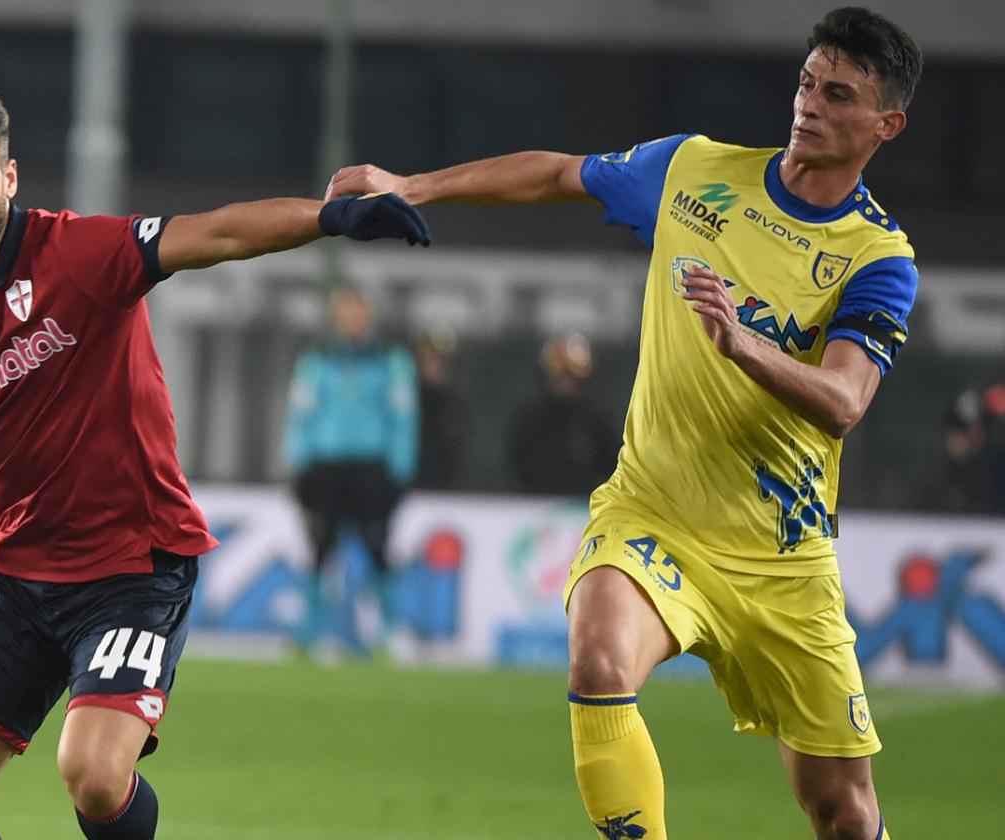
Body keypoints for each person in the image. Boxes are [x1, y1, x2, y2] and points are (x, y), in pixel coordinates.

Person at [327, 8, 919, 839]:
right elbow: (557, 174)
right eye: (805, 82)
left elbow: (845, 401)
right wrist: (414, 185)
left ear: (886, 125)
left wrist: (742, 344)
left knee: (841, 811)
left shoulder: (877, 258)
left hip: (780, 560)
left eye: (839, 94)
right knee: (599, 661)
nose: (809, 104)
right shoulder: (695, 171)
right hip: (653, 512)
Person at [0, 80, 429, 840]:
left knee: (95, 773)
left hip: (133, 567)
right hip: (17, 575)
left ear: (8, 177)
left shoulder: (78, 252)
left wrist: (330, 217)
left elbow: (217, 234)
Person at [284, 285, 418, 656]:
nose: (350, 320)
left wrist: (400, 470)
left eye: (356, 311)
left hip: (371, 466)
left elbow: (403, 418)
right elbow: (301, 415)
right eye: (344, 312)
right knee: (319, 549)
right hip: (327, 465)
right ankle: (308, 635)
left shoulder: (391, 359)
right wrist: (298, 463)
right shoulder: (317, 358)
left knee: (377, 548)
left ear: (368, 315)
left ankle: (390, 633)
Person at [507, 332, 619, 497]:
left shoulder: (597, 422)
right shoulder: (530, 420)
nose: (566, 385)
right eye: (559, 378)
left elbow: (612, 467)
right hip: (534, 508)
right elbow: (517, 466)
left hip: (584, 509)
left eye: (572, 379)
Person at [413, 327, 464, 490]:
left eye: (439, 360)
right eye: (429, 360)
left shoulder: (455, 404)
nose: (434, 366)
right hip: (411, 490)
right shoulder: (407, 403)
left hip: (449, 490)